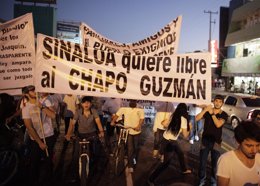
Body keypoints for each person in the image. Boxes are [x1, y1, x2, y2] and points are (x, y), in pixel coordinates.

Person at [148, 103, 192, 185]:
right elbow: (185, 135)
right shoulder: (184, 120)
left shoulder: (172, 115)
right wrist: (190, 128)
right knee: (165, 164)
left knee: (180, 153)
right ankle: (151, 179)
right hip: (170, 142)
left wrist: (167, 123)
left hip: (166, 139)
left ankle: (184, 169)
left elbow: (163, 124)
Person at [22, 86, 56, 186]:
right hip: (36, 139)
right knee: (35, 163)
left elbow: (53, 116)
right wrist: (40, 142)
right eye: (32, 90)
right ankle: (34, 181)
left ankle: (49, 181)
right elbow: (29, 127)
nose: (35, 91)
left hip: (48, 135)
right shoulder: (26, 108)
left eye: (35, 89)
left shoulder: (45, 102)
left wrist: (41, 106)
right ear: (27, 94)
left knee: (48, 162)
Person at [65, 96, 105, 178]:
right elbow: (72, 124)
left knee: (96, 152)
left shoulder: (94, 111)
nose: (86, 104)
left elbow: (98, 122)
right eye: (84, 102)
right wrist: (68, 134)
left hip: (92, 134)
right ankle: (74, 174)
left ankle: (96, 169)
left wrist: (101, 132)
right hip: (81, 135)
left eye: (88, 102)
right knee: (76, 155)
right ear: (81, 104)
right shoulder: (78, 112)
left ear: (91, 104)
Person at [196, 94, 228, 186]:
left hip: (216, 142)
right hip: (205, 140)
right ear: (213, 101)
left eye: (220, 102)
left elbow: (218, 124)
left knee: (215, 164)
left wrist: (212, 114)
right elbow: (197, 118)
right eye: (216, 101)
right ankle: (202, 180)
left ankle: (213, 182)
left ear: (222, 103)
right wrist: (205, 110)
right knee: (202, 162)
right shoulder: (208, 111)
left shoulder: (224, 114)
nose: (217, 103)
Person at [216, 121, 260, 186]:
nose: (255, 150)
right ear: (238, 142)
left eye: (258, 145)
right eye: (249, 146)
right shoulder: (226, 161)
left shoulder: (258, 158)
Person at [111, 99, 145, 173]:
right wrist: (113, 121)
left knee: (135, 148)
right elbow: (117, 115)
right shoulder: (124, 108)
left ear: (136, 101)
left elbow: (142, 118)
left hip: (137, 131)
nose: (132, 102)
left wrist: (139, 126)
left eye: (134, 101)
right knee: (130, 148)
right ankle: (131, 165)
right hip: (128, 131)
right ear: (129, 101)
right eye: (131, 101)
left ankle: (133, 159)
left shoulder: (140, 108)